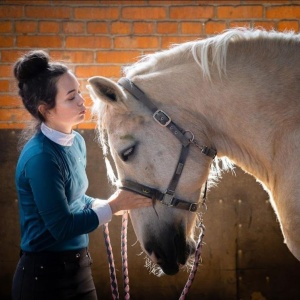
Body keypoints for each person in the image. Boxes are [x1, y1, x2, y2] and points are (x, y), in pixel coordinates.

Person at [12, 50, 152, 300]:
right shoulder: (41, 158)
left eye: (78, 92)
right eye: (70, 97)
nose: (81, 101)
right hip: (43, 281)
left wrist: (109, 205)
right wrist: (112, 206)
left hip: (79, 270)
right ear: (46, 109)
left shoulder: (75, 141)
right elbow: (62, 227)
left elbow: (75, 199)